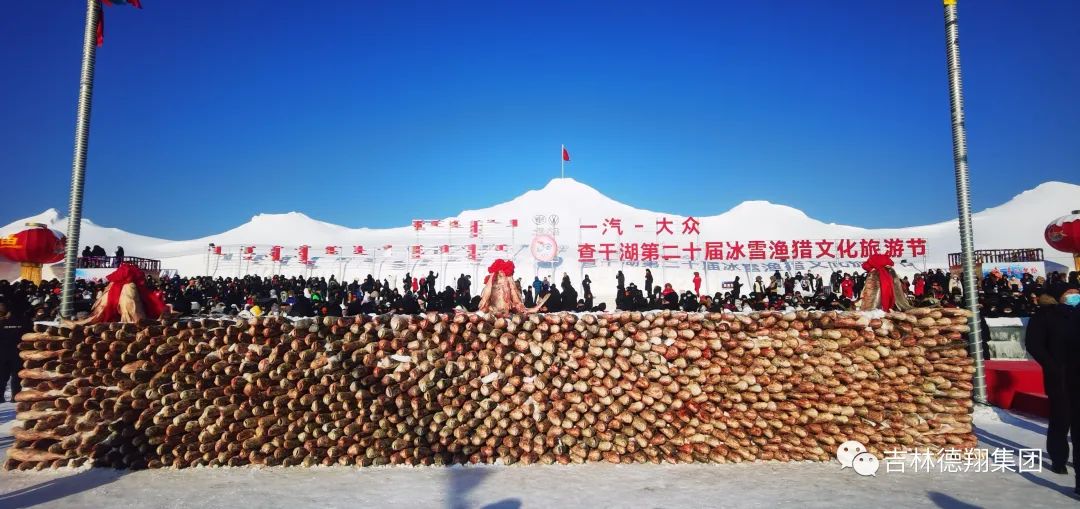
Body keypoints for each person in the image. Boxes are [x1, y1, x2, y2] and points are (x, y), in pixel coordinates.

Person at [1028, 283, 1080, 477]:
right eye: (1070, 292)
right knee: (1061, 419)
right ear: (1058, 295)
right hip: (1059, 376)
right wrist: (1051, 365)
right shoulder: (1044, 315)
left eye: (1077, 292)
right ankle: (1059, 459)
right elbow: (1034, 344)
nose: (1074, 295)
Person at [0, 300, 28, 402]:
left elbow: (27, 334)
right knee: (3, 377)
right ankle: (4, 397)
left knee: (15, 377)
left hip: (15, 353)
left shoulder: (20, 320)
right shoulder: (21, 320)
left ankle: (14, 396)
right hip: (6, 353)